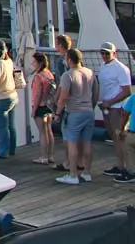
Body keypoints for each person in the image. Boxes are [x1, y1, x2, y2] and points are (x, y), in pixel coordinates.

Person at [55, 48, 99, 185]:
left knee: (72, 143)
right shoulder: (90, 72)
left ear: (69, 60)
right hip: (89, 111)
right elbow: (96, 93)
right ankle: (87, 173)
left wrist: (58, 113)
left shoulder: (67, 75)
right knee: (87, 143)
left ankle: (73, 174)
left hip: (74, 112)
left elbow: (63, 97)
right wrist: (91, 106)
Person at [98, 42, 133, 180]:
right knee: (114, 138)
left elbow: (127, 91)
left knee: (121, 139)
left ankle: (128, 169)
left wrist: (109, 102)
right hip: (107, 107)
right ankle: (120, 166)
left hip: (117, 108)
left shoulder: (121, 69)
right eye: (102, 53)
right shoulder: (103, 65)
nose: (104, 55)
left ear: (114, 53)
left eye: (107, 53)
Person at [29, 52, 57, 166]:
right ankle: (50, 155)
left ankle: (43, 157)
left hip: (40, 106)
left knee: (42, 132)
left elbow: (38, 94)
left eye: (34, 62)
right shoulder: (49, 74)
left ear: (39, 63)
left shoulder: (38, 76)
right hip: (49, 105)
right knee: (49, 130)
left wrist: (34, 110)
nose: (32, 63)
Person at [117, 79, 135, 183]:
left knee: (129, 149)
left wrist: (121, 129)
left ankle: (132, 173)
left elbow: (124, 114)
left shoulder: (134, 97)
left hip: (133, 133)